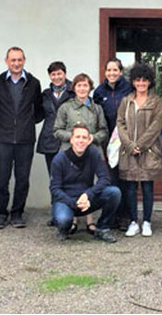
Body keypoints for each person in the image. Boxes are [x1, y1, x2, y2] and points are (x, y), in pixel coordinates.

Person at [0, 47, 43, 229]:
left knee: (22, 178)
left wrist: (25, 123)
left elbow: (39, 111)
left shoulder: (34, 83)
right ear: (6, 61)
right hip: (2, 138)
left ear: (24, 60)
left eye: (19, 60)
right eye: (13, 60)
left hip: (25, 139)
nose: (16, 63)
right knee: (2, 178)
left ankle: (17, 213)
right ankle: (1, 214)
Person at [53, 73, 109, 234]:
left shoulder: (97, 108)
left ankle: (91, 222)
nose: (82, 88)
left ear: (90, 88)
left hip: (93, 150)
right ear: (74, 88)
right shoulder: (66, 107)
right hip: (70, 151)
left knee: (91, 184)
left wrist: (93, 138)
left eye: (85, 85)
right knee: (72, 183)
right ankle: (73, 220)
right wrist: (74, 138)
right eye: (79, 85)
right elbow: (56, 130)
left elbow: (104, 130)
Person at [49, 123, 121, 243]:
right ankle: (64, 228)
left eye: (84, 138)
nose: (80, 141)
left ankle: (102, 228)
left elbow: (105, 179)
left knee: (114, 192)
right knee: (62, 220)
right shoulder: (59, 159)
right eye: (77, 137)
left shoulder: (93, 154)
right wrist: (74, 203)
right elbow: (55, 189)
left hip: (87, 199)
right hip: (66, 201)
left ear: (89, 140)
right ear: (71, 140)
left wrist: (88, 195)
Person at [116, 63, 162, 238]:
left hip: (149, 151)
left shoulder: (156, 101)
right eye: (137, 80)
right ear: (133, 82)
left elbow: (156, 126)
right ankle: (133, 222)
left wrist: (140, 145)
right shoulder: (126, 101)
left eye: (144, 80)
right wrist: (129, 145)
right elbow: (120, 123)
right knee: (129, 188)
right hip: (128, 152)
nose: (141, 83)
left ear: (149, 82)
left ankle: (147, 222)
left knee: (147, 187)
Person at [93, 57, 133, 229]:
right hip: (107, 142)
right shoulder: (99, 91)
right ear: (105, 72)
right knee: (111, 179)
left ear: (121, 71)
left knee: (125, 179)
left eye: (115, 70)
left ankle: (126, 216)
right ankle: (113, 215)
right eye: (108, 70)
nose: (112, 73)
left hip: (125, 140)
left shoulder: (129, 88)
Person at [37, 61, 73, 174]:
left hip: (69, 140)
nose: (56, 77)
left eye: (59, 74)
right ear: (49, 76)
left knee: (71, 178)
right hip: (50, 140)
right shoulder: (46, 94)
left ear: (65, 74)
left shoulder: (74, 92)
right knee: (54, 178)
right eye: (53, 74)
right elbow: (38, 115)